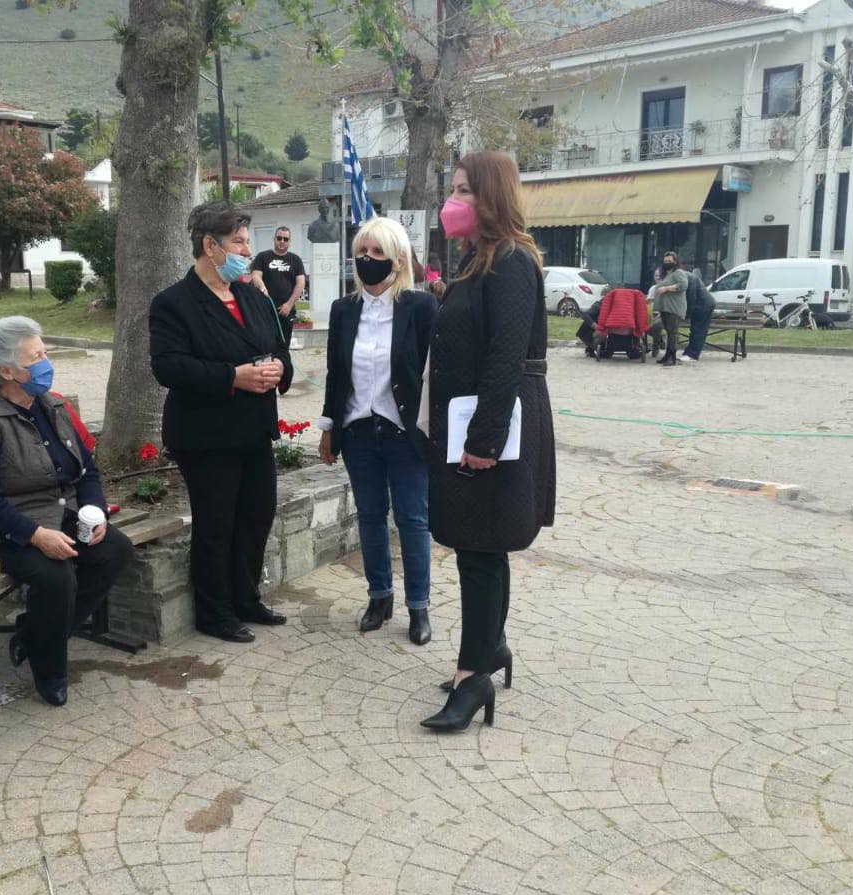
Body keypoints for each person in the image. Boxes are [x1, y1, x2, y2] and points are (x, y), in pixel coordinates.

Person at [418, 151, 556, 732]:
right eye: (452, 189)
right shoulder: (480, 260)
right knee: (481, 547)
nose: (452, 201)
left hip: (491, 428)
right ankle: (490, 646)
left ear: (491, 195)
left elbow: (506, 357)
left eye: (463, 190)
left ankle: (471, 677)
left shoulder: (512, 262)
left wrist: (484, 440)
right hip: (474, 424)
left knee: (478, 549)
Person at [0, 316, 132, 707]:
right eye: (36, 358)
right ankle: (50, 672)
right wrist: (35, 536)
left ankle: (33, 634)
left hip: (54, 510)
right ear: (5, 370)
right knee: (55, 575)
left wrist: (93, 511)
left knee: (115, 550)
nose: (46, 363)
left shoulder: (49, 404)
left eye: (45, 353)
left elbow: (86, 471)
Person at [150, 200, 294, 643]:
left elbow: (278, 345)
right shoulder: (173, 303)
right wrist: (233, 376)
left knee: (256, 518)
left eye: (247, 242)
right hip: (207, 434)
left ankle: (246, 598)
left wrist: (279, 370)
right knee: (216, 525)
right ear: (210, 246)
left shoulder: (252, 294)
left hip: (254, 428)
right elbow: (169, 367)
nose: (247, 251)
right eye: (238, 242)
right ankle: (215, 612)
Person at [318, 216, 437, 645]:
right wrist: (328, 427)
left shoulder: (420, 307)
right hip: (358, 432)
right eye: (361, 252)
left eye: (377, 252)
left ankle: (419, 606)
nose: (367, 259)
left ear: (398, 259)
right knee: (369, 517)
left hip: (404, 432)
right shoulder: (344, 309)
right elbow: (335, 374)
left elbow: (433, 374)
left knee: (412, 520)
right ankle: (379, 597)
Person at [251, 226, 307, 345]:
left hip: (286, 310)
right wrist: (261, 286)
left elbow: (301, 283)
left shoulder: (296, 260)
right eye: (279, 238)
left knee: (283, 345)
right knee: (265, 344)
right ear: (274, 239)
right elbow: (256, 275)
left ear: (289, 241)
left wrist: (289, 304)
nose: (282, 241)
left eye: (285, 239)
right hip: (265, 309)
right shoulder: (262, 257)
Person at [649, 251, 688, 365]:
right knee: (669, 332)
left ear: (675, 261)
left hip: (673, 308)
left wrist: (667, 288)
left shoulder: (678, 273)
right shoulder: (667, 274)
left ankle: (672, 357)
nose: (667, 263)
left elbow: (683, 285)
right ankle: (667, 356)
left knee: (672, 333)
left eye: (669, 261)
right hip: (665, 308)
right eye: (665, 261)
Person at [680, 265, 716, 363]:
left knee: (698, 330)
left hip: (704, 306)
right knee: (695, 329)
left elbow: (691, 298)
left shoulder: (688, 279)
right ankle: (689, 352)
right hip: (702, 304)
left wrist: (687, 315)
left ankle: (693, 355)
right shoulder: (687, 276)